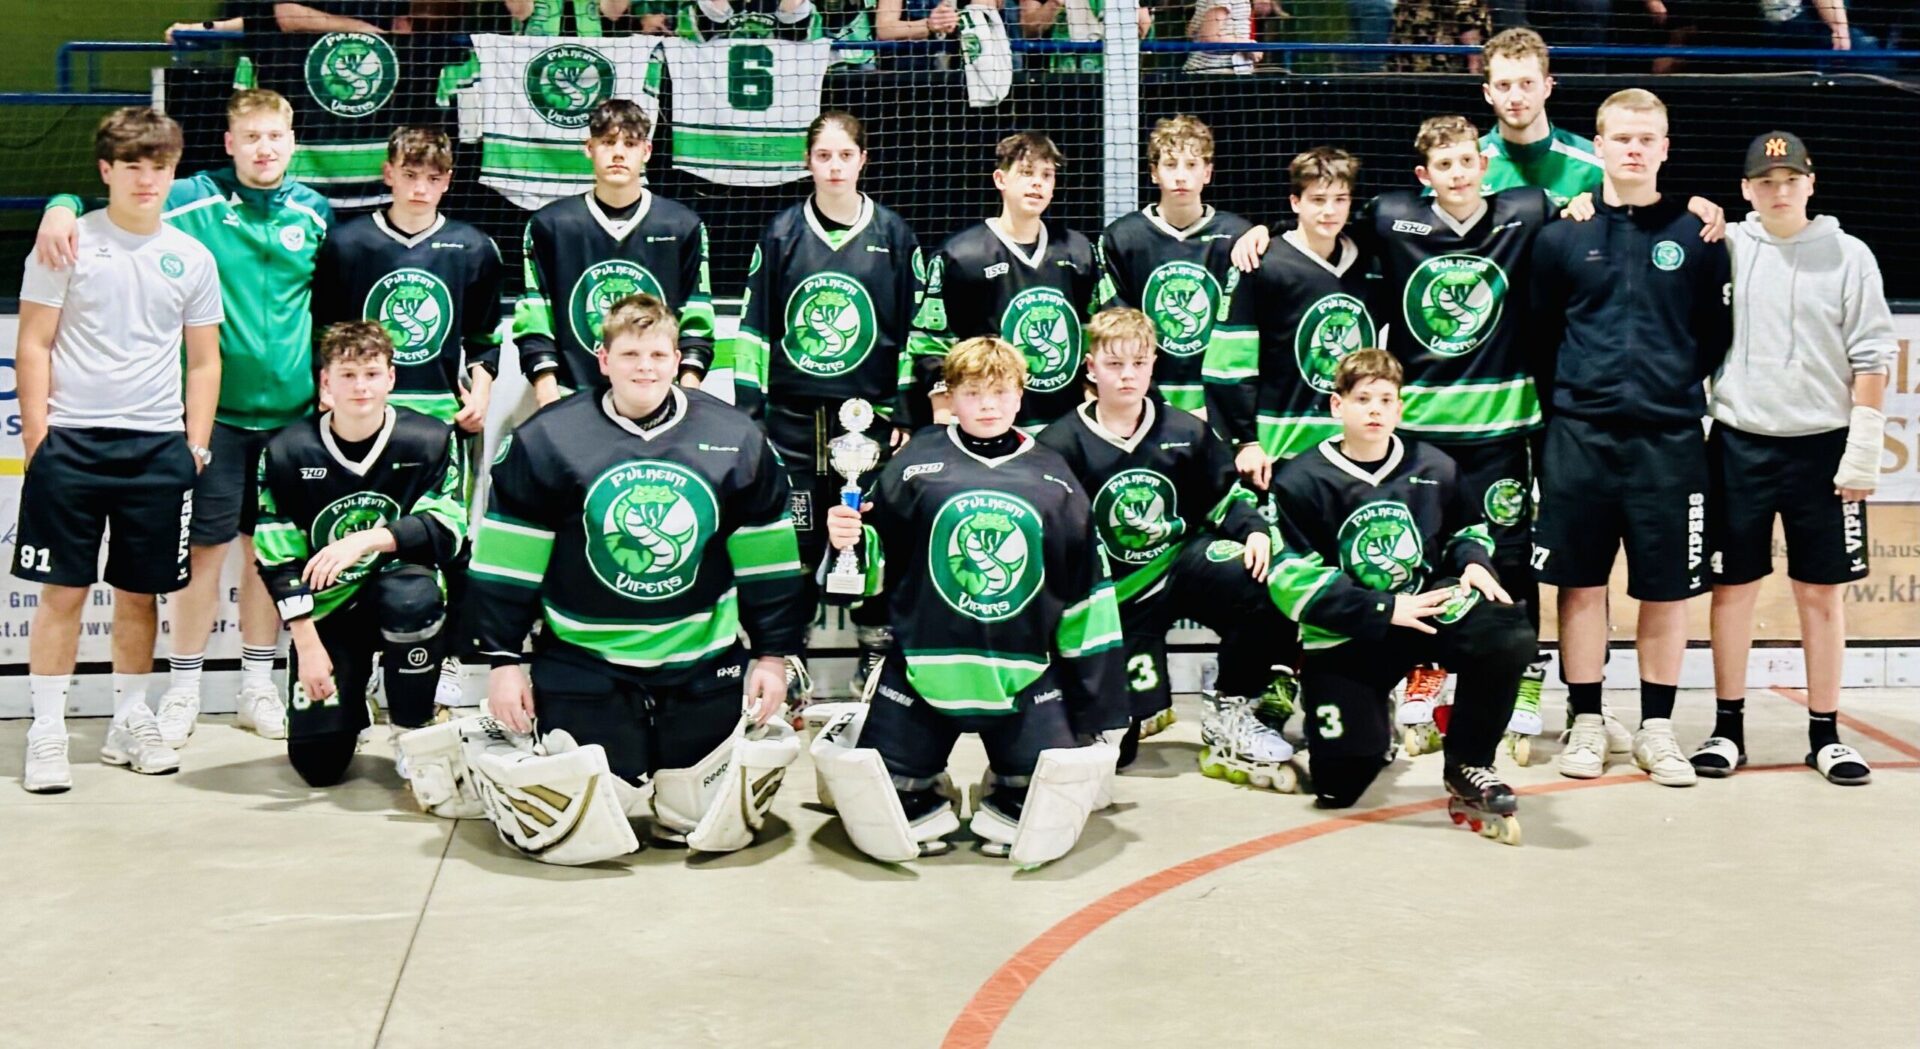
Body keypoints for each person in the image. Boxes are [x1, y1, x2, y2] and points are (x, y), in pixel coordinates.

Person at [459, 294, 807, 861]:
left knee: (696, 820)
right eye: (629, 354)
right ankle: (496, 745)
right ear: (603, 359)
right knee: (588, 825)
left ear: (677, 359)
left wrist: (772, 657)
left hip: (700, 658)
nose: (644, 367)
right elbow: (507, 563)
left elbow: (768, 562)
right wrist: (503, 663)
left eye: (657, 354)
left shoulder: (736, 437)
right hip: (585, 659)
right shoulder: (548, 438)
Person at [36, 88, 334, 749]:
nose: (263, 148)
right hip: (214, 419)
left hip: (292, 420)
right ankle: (184, 688)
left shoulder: (315, 211)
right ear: (229, 143)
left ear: (292, 143)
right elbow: (111, 202)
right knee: (202, 554)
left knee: (268, 554)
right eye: (250, 136)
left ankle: (257, 685)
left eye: (275, 137)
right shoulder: (190, 197)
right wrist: (59, 205)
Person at [819, 336, 1126, 867]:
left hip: (1024, 676)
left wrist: (1099, 704)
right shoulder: (914, 463)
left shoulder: (1054, 476)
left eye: (1000, 392)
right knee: (888, 808)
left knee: (1038, 807)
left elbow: (1086, 590)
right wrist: (849, 541)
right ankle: (922, 777)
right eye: (972, 393)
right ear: (951, 397)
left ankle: (1010, 774)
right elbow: (876, 563)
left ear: (1020, 395)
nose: (987, 405)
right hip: (922, 672)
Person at [15, 108, 222, 794]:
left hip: (157, 450)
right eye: (132, 165)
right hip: (72, 445)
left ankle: (129, 720)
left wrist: (194, 445)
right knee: (64, 592)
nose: (146, 179)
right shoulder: (67, 243)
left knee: (139, 595)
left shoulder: (192, 256)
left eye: (159, 166)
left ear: (173, 171)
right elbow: (34, 343)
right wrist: (40, 443)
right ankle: (47, 729)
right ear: (106, 170)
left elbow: (204, 360)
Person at [1530, 88, 1732, 788]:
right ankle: (1587, 720)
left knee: (1666, 590)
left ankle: (1657, 729)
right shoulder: (1561, 235)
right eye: (1622, 138)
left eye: (1647, 138)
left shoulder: (1699, 236)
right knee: (1580, 585)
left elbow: (1714, 336)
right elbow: (1541, 336)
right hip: (1579, 437)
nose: (1635, 149)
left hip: (1668, 439)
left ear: (1666, 148)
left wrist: (1663, 388)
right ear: (1599, 146)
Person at [1693, 131, 1895, 786]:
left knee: (1821, 593)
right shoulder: (1726, 246)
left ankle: (1826, 734)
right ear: (1746, 189)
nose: (1779, 192)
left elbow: (1873, 354)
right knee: (1733, 591)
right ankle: (1727, 730)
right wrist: (1694, 207)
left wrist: (1863, 446)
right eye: (1765, 182)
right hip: (1739, 441)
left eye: (1790, 180)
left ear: (1811, 183)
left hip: (1824, 447)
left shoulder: (1849, 255)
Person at [1269, 350, 1535, 842]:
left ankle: (1469, 763)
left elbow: (1467, 531)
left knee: (1506, 632)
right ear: (1337, 406)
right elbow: (1291, 582)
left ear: (1399, 408)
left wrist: (1474, 560)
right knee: (1338, 785)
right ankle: (1373, 723)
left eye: (1386, 400)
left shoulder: (1434, 466)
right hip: (1349, 635)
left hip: (1425, 612)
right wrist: (1384, 608)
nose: (1375, 409)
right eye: (1362, 399)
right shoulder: (1299, 479)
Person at [1037, 308, 1299, 787]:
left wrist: (1254, 530)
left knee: (1263, 576)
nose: (1127, 375)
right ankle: (1126, 711)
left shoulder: (1185, 430)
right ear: (1090, 367)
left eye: (1138, 363)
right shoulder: (1060, 444)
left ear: (1153, 364)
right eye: (1114, 364)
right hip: (1116, 597)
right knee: (1117, 754)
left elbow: (1225, 497)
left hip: (1180, 565)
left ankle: (1231, 706)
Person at [311, 126, 504, 710]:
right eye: (410, 174)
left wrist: (482, 391)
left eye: (433, 177)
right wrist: (327, 393)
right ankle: (363, 660)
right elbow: (323, 331)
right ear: (388, 173)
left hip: (440, 427)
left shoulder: (473, 247)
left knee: (445, 543)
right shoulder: (348, 244)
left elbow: (485, 338)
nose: (420, 188)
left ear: (448, 182)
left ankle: (443, 660)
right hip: (362, 421)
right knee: (357, 535)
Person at [732, 111, 923, 695]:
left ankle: (877, 654)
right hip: (792, 422)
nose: (835, 166)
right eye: (823, 156)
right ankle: (787, 659)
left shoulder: (894, 236)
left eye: (845, 155)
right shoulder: (781, 234)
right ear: (807, 162)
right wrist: (749, 414)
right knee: (793, 540)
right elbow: (754, 329)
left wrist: (906, 408)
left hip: (869, 423)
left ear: (863, 160)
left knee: (872, 533)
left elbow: (915, 329)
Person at [254, 322, 466, 787]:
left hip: (399, 589)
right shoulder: (287, 450)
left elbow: (448, 528)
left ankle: (412, 730)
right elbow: (275, 557)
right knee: (317, 767)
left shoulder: (430, 438)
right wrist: (306, 643)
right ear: (325, 382)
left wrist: (365, 540)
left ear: (391, 378)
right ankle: (355, 698)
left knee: (411, 600)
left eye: (371, 374)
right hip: (329, 607)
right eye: (347, 375)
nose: (361, 386)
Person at [512, 98, 716, 407]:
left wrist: (687, 397)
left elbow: (696, 319)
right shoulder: (550, 226)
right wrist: (548, 398)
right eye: (608, 142)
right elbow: (535, 318)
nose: (618, 153)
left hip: (657, 400)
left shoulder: (682, 226)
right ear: (589, 148)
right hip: (572, 400)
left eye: (630, 144)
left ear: (647, 151)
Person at [1205, 147, 1379, 488]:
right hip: (1280, 448)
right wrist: (1245, 441)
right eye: (1318, 200)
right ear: (1295, 202)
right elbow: (1227, 364)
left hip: (1353, 445)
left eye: (1340, 199)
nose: (1330, 210)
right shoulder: (1260, 263)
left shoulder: (1371, 264)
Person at [909, 132, 1098, 432]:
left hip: (1065, 423)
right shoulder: (960, 255)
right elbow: (929, 342)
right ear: (1000, 179)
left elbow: (1097, 331)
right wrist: (944, 418)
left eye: (1046, 175)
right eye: (1026, 172)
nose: (1037, 183)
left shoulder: (1079, 251)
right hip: (990, 422)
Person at [1095, 115, 1253, 416]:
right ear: (1154, 173)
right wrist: (1157, 406)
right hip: (1144, 407)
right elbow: (1116, 331)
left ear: (1207, 172)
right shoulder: (1122, 238)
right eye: (1170, 165)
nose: (1181, 176)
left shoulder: (1238, 236)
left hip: (1220, 410)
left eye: (1191, 165)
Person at [1021, 0, 1153, 74]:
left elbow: (1142, 27)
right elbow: (1029, 28)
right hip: (1055, 78)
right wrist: (1054, 3)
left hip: (1115, 75)